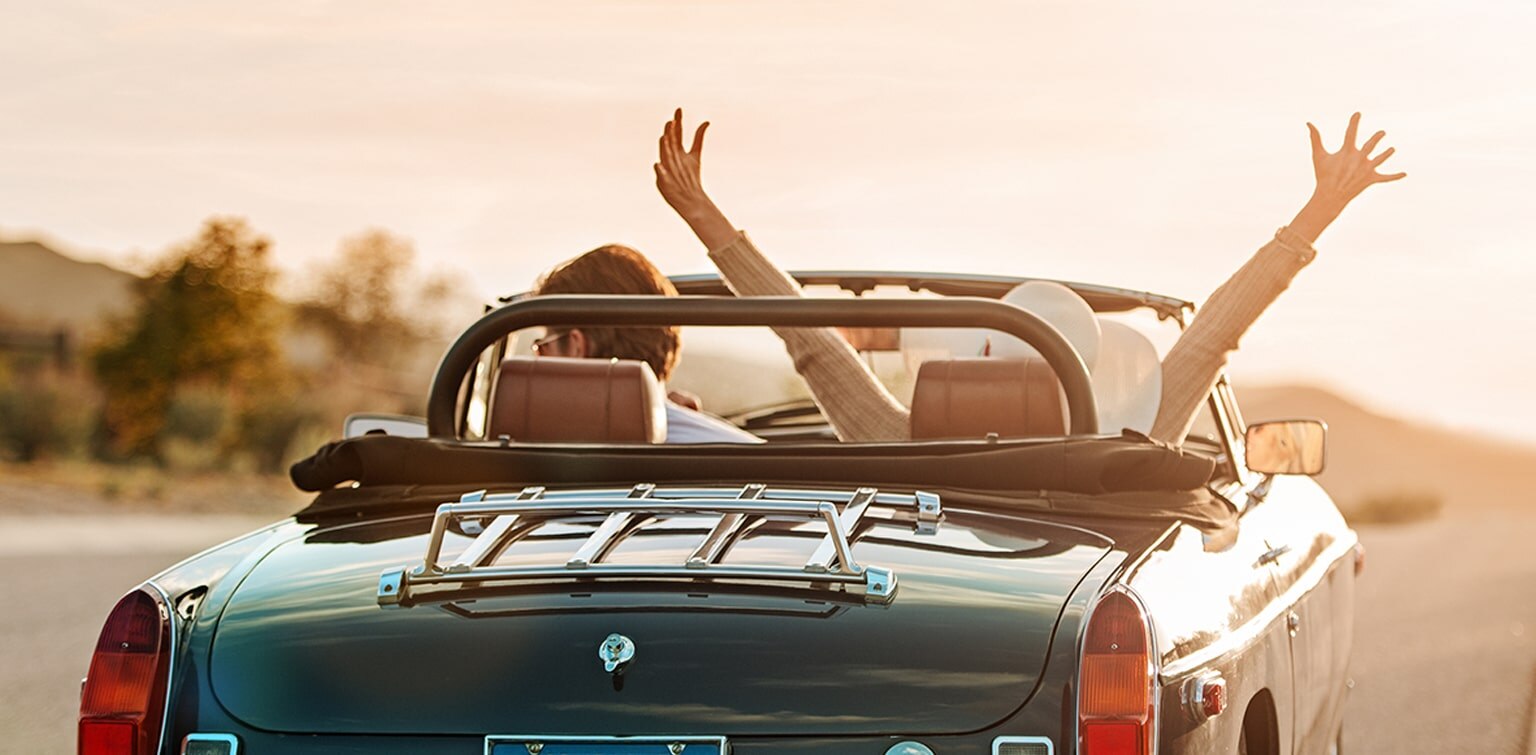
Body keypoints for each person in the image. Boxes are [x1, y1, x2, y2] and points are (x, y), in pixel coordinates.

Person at [653, 109, 1404, 446]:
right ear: (1095, 371)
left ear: (978, 364)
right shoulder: (1134, 444)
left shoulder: (902, 440)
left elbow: (809, 339)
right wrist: (1319, 211)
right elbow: (1216, 332)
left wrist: (704, 216)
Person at [530, 244, 762, 444]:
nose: (538, 360)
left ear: (576, 346)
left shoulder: (525, 453)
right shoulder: (750, 457)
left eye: (543, 347)